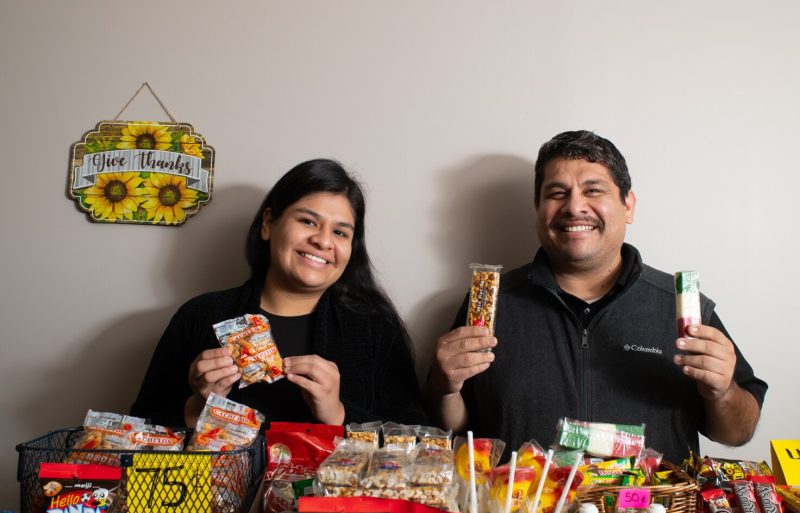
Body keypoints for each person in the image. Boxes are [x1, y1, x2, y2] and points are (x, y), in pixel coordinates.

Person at [424, 130, 766, 464]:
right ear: (537, 208)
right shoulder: (490, 305)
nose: (574, 207)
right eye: (557, 193)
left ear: (627, 205)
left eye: (593, 190)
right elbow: (455, 430)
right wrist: (444, 389)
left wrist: (723, 392)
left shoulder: (681, 308)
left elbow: (737, 432)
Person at [132, 158, 427, 428]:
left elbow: (418, 438)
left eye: (340, 232)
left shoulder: (374, 328)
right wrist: (196, 407)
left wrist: (337, 414)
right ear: (268, 223)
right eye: (308, 221)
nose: (323, 241)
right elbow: (136, 429)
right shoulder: (200, 316)